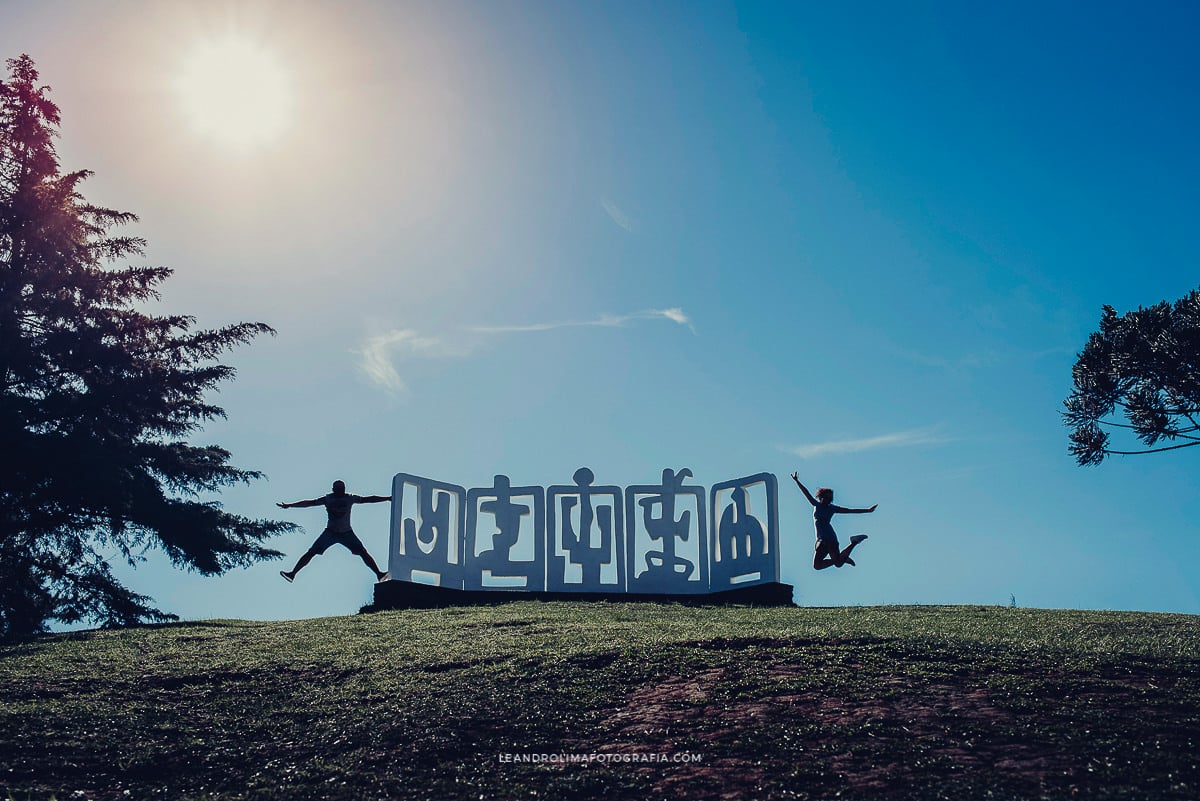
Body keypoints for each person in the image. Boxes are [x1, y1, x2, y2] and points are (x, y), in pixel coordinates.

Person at [276, 480, 391, 583]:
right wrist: (290, 505)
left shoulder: (349, 498)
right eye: (338, 489)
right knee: (311, 552)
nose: (340, 491)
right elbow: (309, 503)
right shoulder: (328, 499)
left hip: (346, 533)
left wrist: (386, 498)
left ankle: (379, 574)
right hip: (330, 533)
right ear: (333, 490)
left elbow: (368, 499)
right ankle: (293, 574)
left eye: (342, 489)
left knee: (363, 552)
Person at [791, 472, 877, 570]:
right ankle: (849, 549)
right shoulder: (817, 505)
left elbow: (850, 510)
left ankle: (849, 550)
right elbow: (807, 494)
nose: (828, 500)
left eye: (830, 498)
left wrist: (868, 510)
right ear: (821, 497)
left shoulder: (832, 508)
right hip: (825, 539)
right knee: (828, 564)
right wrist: (797, 481)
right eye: (826, 497)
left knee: (834, 563)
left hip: (827, 539)